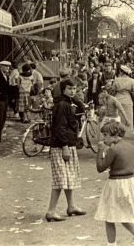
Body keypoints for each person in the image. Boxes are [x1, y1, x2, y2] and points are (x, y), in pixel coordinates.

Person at [95, 121, 134, 246]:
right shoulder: (130, 146)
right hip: (130, 182)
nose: (104, 138)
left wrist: (100, 150)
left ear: (114, 135)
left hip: (116, 183)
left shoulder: (113, 149)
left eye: (105, 135)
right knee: (125, 216)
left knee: (109, 217)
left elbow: (100, 167)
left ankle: (111, 244)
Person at [45, 79, 86, 222]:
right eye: (69, 88)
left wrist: (73, 98)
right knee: (61, 179)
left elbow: (81, 108)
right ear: (63, 89)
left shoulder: (67, 102)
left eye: (74, 89)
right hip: (62, 146)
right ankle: (51, 211)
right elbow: (60, 127)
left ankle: (71, 206)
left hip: (67, 144)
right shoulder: (62, 105)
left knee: (69, 176)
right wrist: (64, 147)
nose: (73, 91)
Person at [112, 65, 134, 139]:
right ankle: (125, 132)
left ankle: (116, 131)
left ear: (121, 72)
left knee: (117, 116)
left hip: (117, 99)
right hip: (127, 99)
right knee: (127, 116)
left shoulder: (116, 80)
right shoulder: (132, 81)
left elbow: (113, 90)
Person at [0, 61, 10, 142]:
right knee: (0, 118)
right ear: (1, 67)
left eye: (8, 67)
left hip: (4, 99)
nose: (8, 68)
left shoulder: (5, 76)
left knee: (3, 118)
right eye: (6, 66)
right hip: (0, 99)